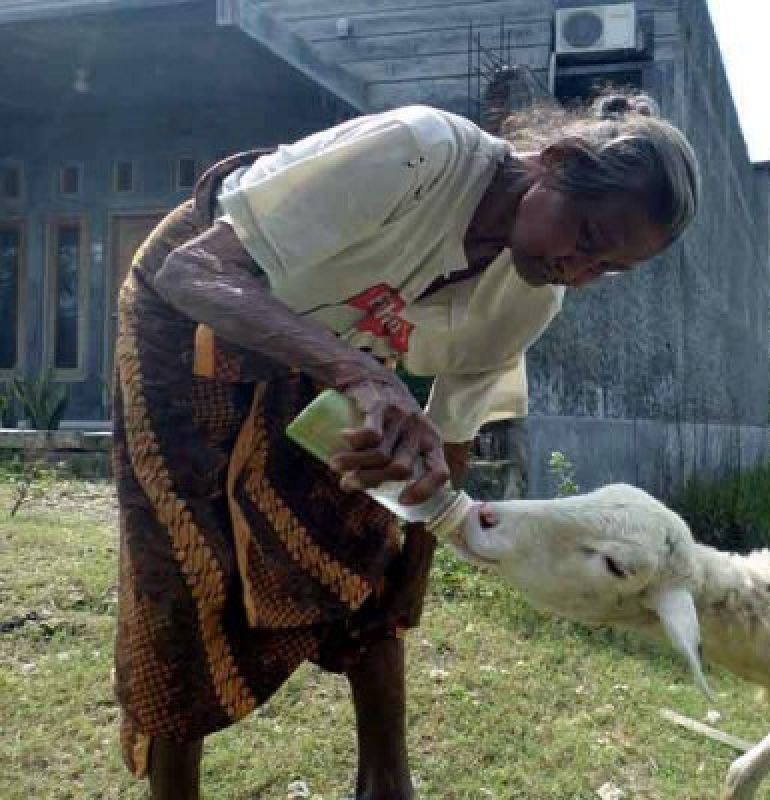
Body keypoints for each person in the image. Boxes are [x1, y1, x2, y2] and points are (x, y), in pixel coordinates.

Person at [111, 91, 699, 799]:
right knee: (184, 561)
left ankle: (387, 785)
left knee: (368, 546)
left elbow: (450, 438)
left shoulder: (529, 298)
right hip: (190, 313)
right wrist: (360, 372)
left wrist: (417, 562)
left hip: (325, 349)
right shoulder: (418, 152)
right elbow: (195, 273)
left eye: (605, 269)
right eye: (585, 235)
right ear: (557, 162)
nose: (577, 269)